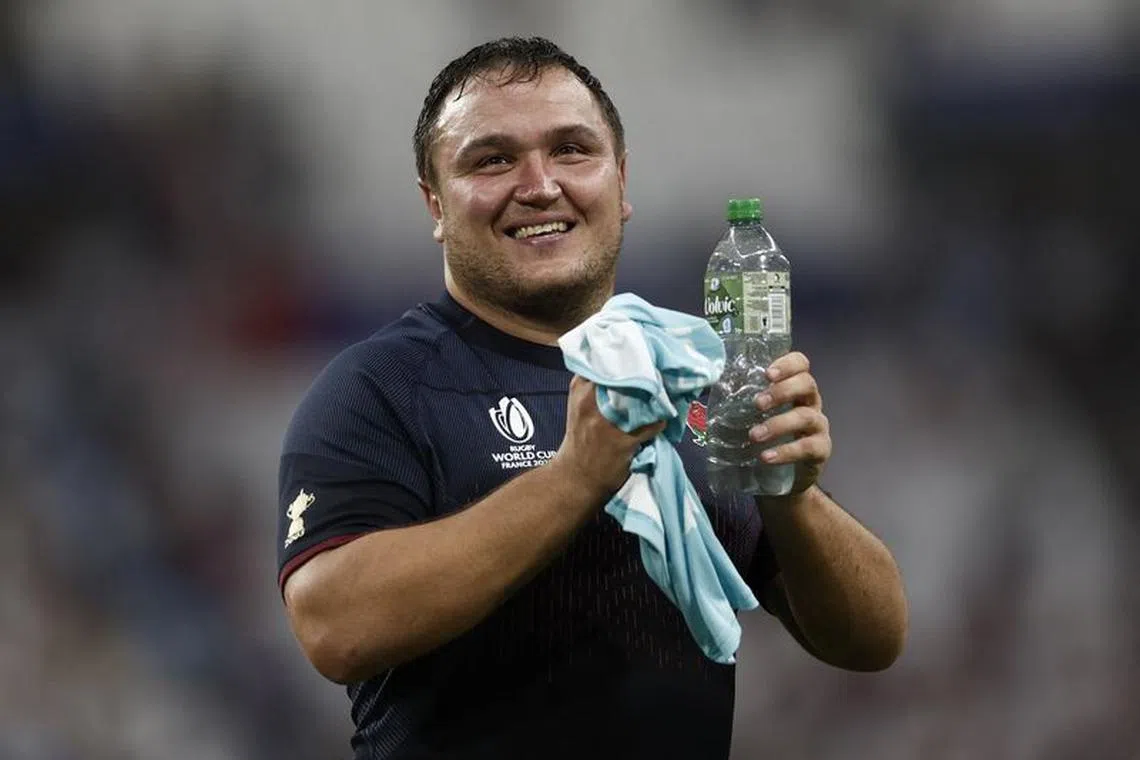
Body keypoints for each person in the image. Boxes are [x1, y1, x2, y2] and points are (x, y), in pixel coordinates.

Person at [277, 36, 907, 759]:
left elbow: (873, 639)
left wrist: (792, 496)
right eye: (492, 160)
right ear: (436, 204)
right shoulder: (378, 390)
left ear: (620, 180)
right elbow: (335, 627)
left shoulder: (686, 377)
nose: (540, 184)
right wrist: (575, 477)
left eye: (573, 150)